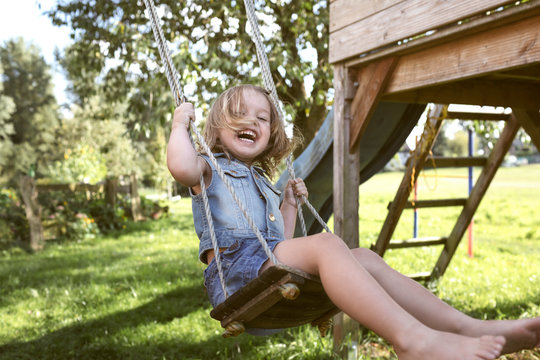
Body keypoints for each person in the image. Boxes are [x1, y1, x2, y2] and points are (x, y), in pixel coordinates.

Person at [167, 84, 540, 360]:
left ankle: (465, 327)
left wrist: (289, 205)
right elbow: (181, 168)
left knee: (362, 257)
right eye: (240, 114)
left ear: (270, 136)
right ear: (214, 129)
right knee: (329, 244)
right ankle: (412, 340)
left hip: (263, 266)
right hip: (234, 278)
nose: (252, 121)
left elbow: (277, 241)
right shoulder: (208, 167)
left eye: (262, 118)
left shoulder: (265, 184)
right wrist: (179, 126)